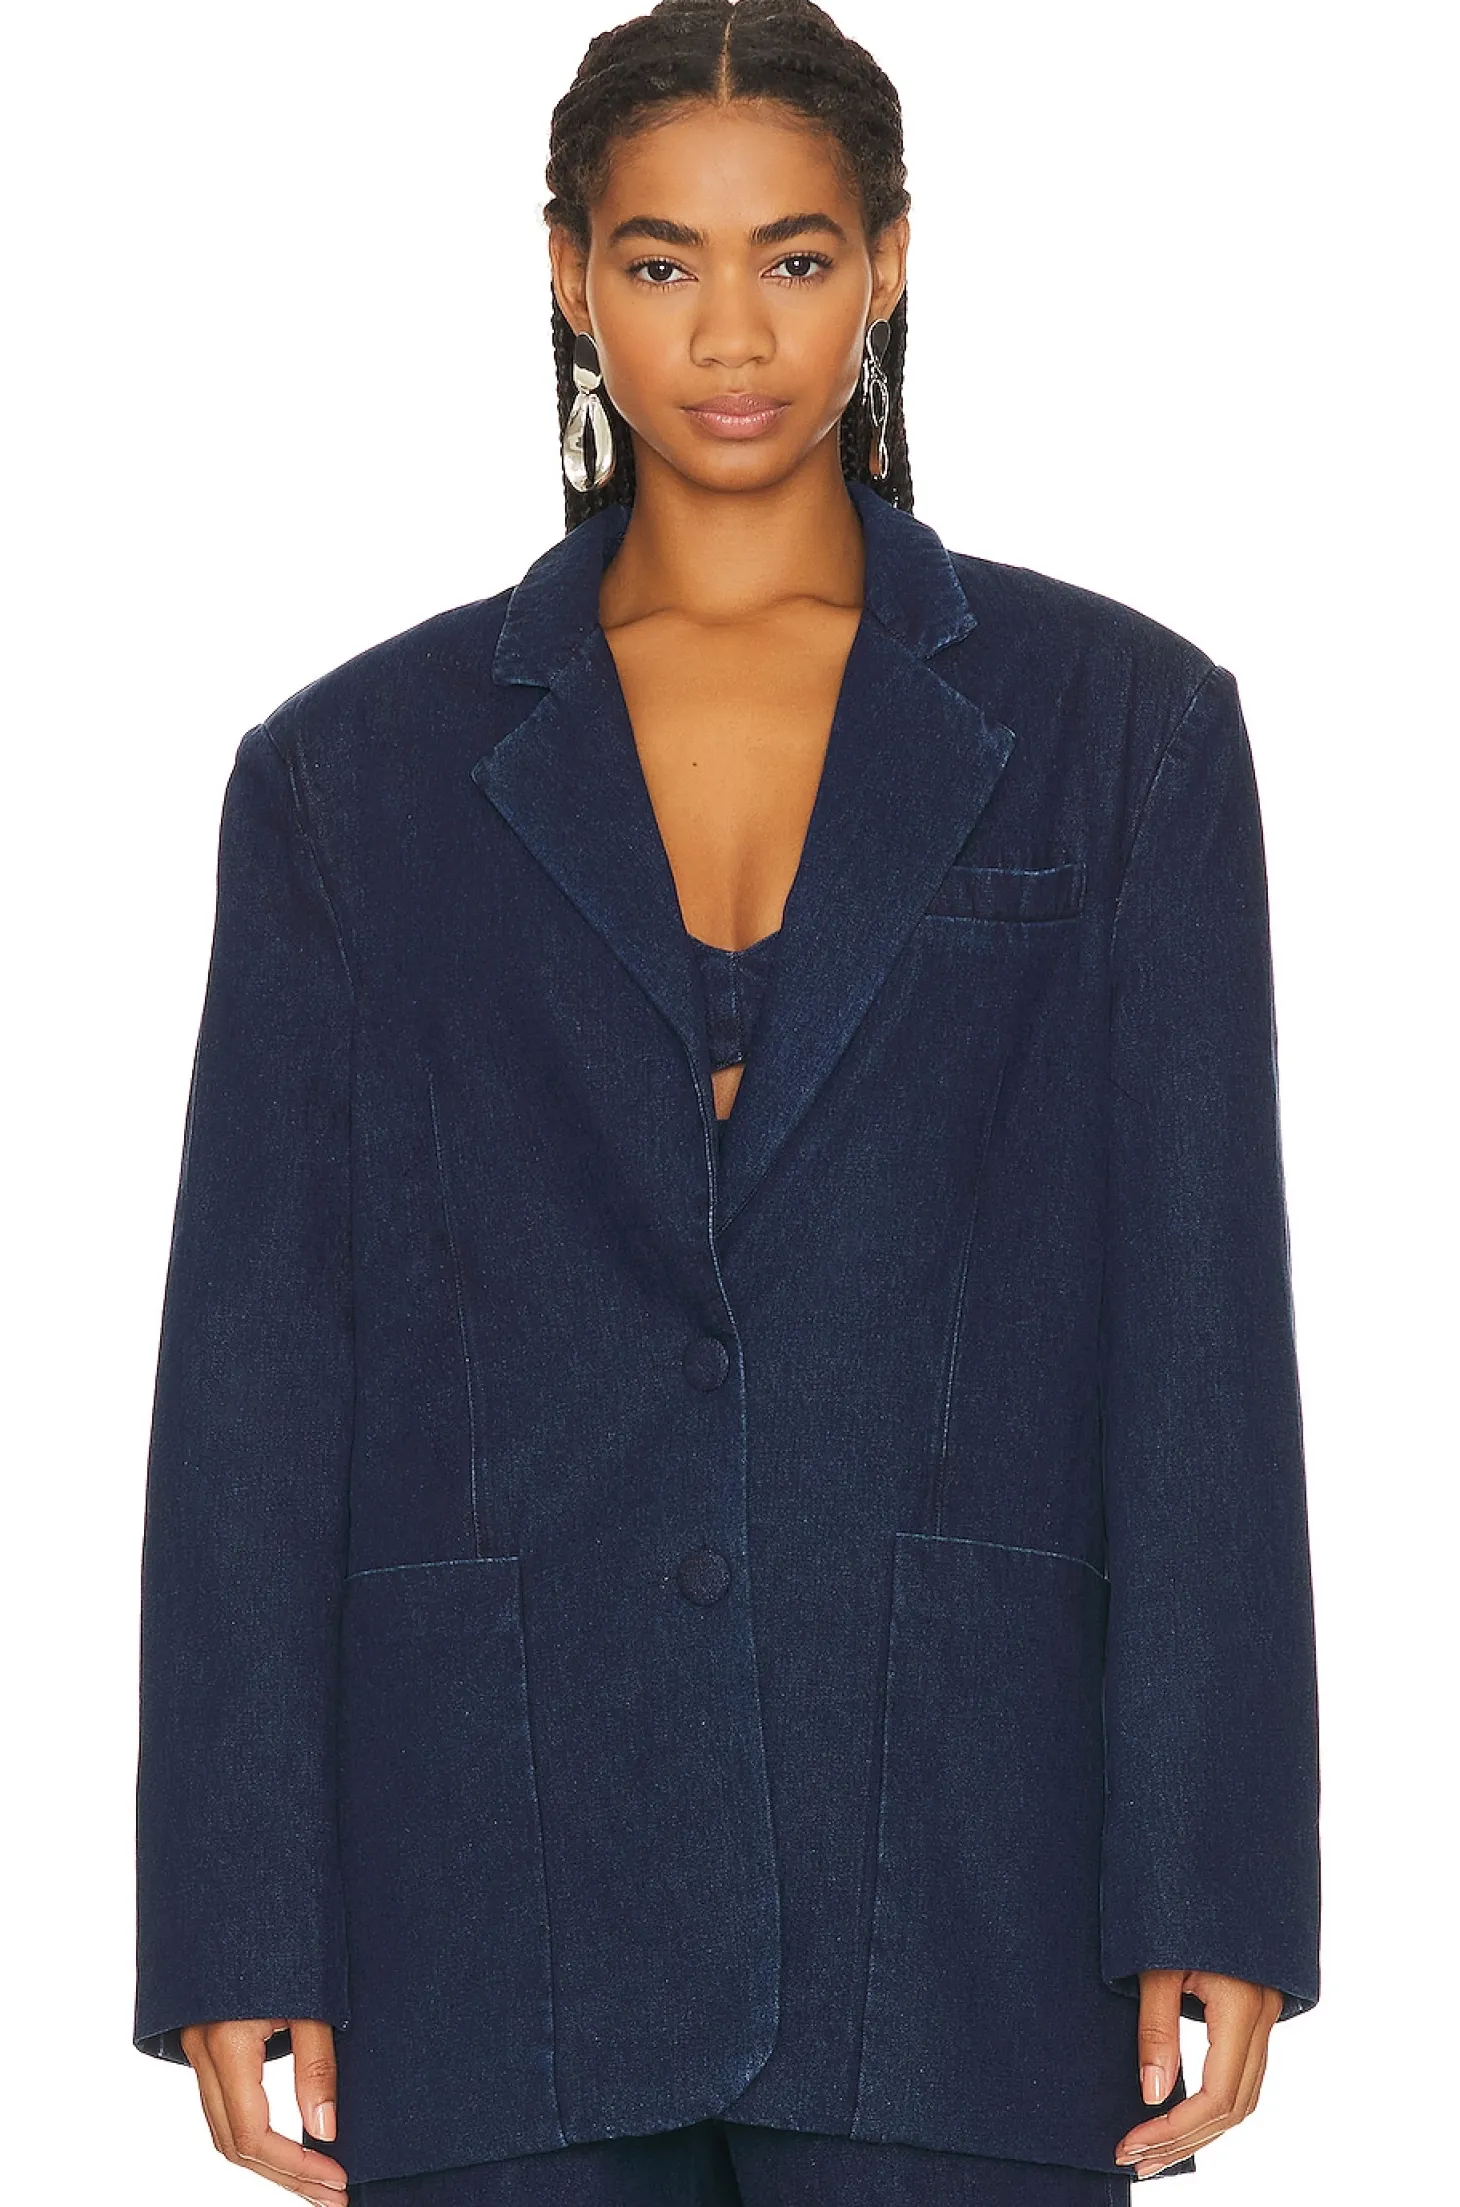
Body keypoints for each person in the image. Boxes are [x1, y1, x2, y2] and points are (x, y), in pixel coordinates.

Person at [131, 3, 1322, 2202]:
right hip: (488, 1878)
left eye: (794, 256)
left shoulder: (1123, 732)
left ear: (889, 265)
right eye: (662, 261)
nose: (734, 333)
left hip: (957, 1875)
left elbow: (1200, 1344)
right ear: (569, 276)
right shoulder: (347, 778)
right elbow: (256, 1376)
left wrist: (1214, 1866)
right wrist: (240, 1903)